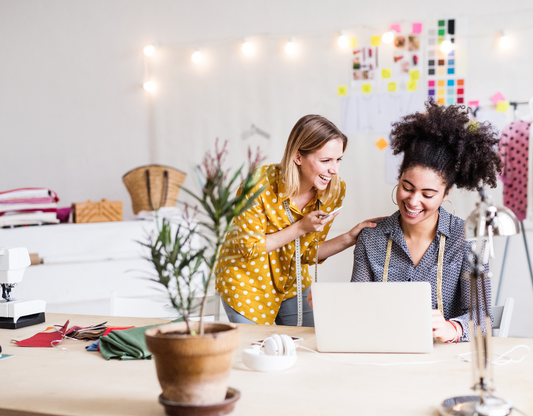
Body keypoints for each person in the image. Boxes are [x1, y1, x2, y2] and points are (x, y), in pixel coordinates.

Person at [351, 101, 501, 343]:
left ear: (446, 194)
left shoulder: (468, 239)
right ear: (399, 179)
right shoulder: (371, 239)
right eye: (407, 187)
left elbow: (483, 319)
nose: (413, 201)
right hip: (385, 354)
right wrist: (337, 304)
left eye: (428, 194)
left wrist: (453, 328)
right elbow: (357, 309)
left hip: (445, 363)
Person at [215, 114, 378, 326]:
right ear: (298, 157)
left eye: (338, 159)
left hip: (292, 281)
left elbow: (308, 253)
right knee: (258, 350)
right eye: (325, 160)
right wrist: (301, 227)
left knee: (310, 345)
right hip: (247, 282)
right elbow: (248, 247)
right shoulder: (259, 184)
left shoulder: (334, 189)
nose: (334, 170)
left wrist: (350, 237)